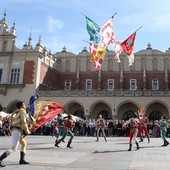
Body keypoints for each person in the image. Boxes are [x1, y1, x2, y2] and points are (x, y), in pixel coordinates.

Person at [0, 101, 31, 167]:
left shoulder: (18, 111)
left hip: (17, 130)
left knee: (24, 144)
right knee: (14, 148)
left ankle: (22, 160)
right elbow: (23, 121)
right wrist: (27, 131)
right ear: (21, 106)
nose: (25, 105)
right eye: (24, 104)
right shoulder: (22, 111)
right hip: (17, 130)